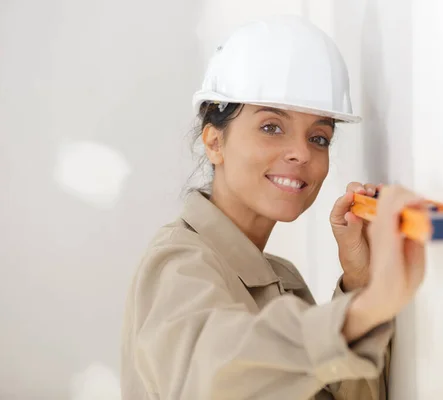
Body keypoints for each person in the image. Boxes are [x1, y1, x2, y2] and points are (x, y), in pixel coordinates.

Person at [120, 15, 425, 400]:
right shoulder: (178, 264)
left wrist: (358, 283)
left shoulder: (284, 280)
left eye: (319, 137)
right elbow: (216, 377)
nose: (301, 152)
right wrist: (373, 304)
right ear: (214, 142)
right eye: (271, 127)